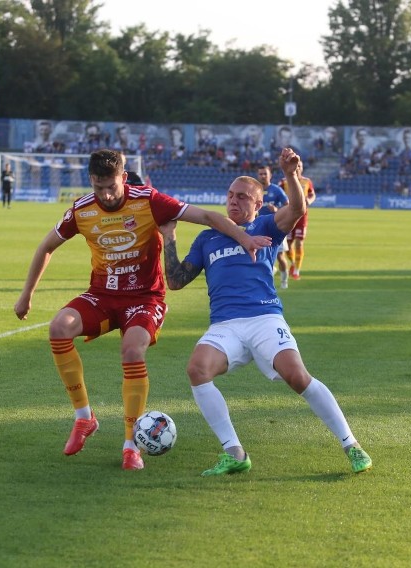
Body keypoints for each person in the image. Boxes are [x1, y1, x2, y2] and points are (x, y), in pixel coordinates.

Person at [14, 149, 270, 470]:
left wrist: (244, 238)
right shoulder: (82, 209)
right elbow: (46, 247)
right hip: (103, 295)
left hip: (145, 298)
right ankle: (84, 418)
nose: (105, 195)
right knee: (58, 328)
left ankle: (129, 444)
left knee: (132, 348)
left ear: (123, 177)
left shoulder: (149, 200)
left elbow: (206, 217)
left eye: (111, 186)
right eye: (98, 187)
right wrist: (26, 295)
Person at [158, 147, 372, 476]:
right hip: (225, 325)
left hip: (264, 318)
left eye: (243, 197)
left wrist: (290, 174)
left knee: (297, 376)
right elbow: (175, 280)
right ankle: (234, 452)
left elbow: (297, 208)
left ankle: (351, 445)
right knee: (197, 369)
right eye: (230, 195)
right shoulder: (207, 238)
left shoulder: (267, 227)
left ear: (258, 204)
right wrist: (169, 237)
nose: (233, 201)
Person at [279, 161, 316, 280]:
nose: (298, 168)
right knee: (288, 245)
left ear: (302, 168)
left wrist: (309, 200)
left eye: (300, 166)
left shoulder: (307, 181)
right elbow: (277, 195)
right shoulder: (284, 182)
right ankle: (294, 264)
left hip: (302, 216)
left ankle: (296, 271)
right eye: (296, 166)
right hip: (289, 215)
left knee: (299, 243)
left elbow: (312, 194)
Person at [256, 164, 290, 288]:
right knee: (257, 255)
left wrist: (277, 209)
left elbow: (288, 206)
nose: (263, 176)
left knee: (280, 256)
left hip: (277, 227)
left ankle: (284, 281)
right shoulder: (255, 190)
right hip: (259, 227)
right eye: (260, 174)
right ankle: (267, 275)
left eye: (265, 173)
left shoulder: (276, 190)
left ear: (270, 175)